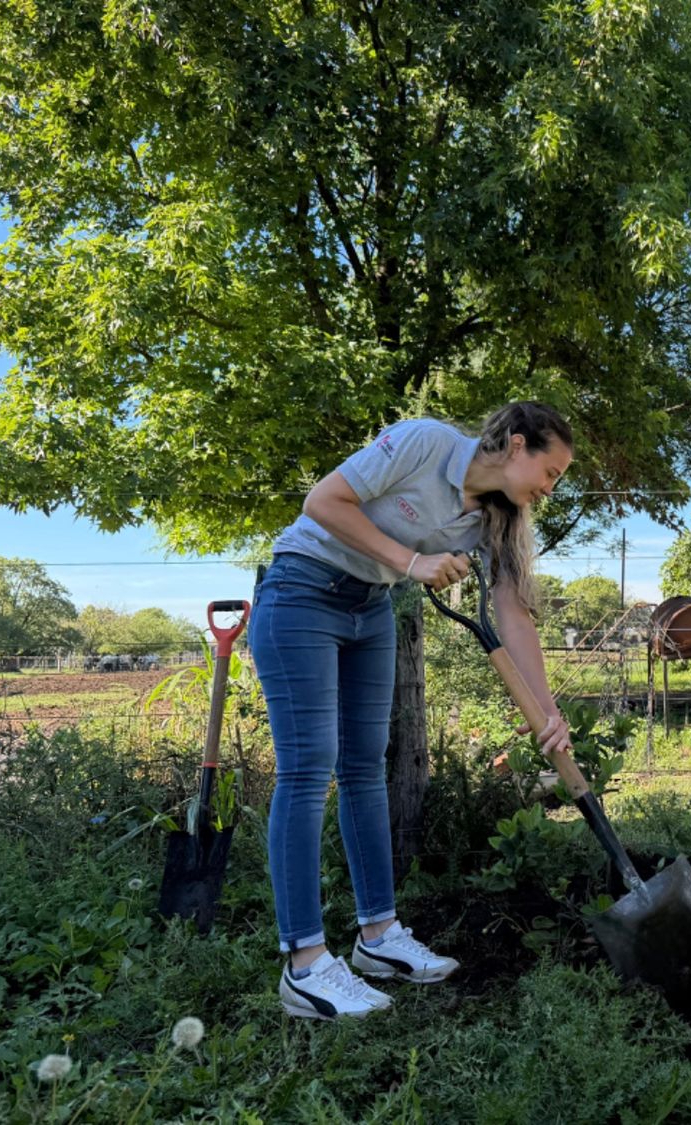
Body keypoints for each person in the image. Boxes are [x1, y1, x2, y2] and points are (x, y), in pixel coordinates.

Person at [250, 402, 575, 1018]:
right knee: (307, 768)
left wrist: (547, 711)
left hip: (370, 607)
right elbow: (323, 502)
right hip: (301, 591)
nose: (549, 488)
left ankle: (378, 937)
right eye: (550, 471)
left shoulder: (494, 520)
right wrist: (413, 562)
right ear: (515, 444)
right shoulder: (426, 442)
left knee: (364, 769)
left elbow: (512, 614)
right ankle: (305, 964)